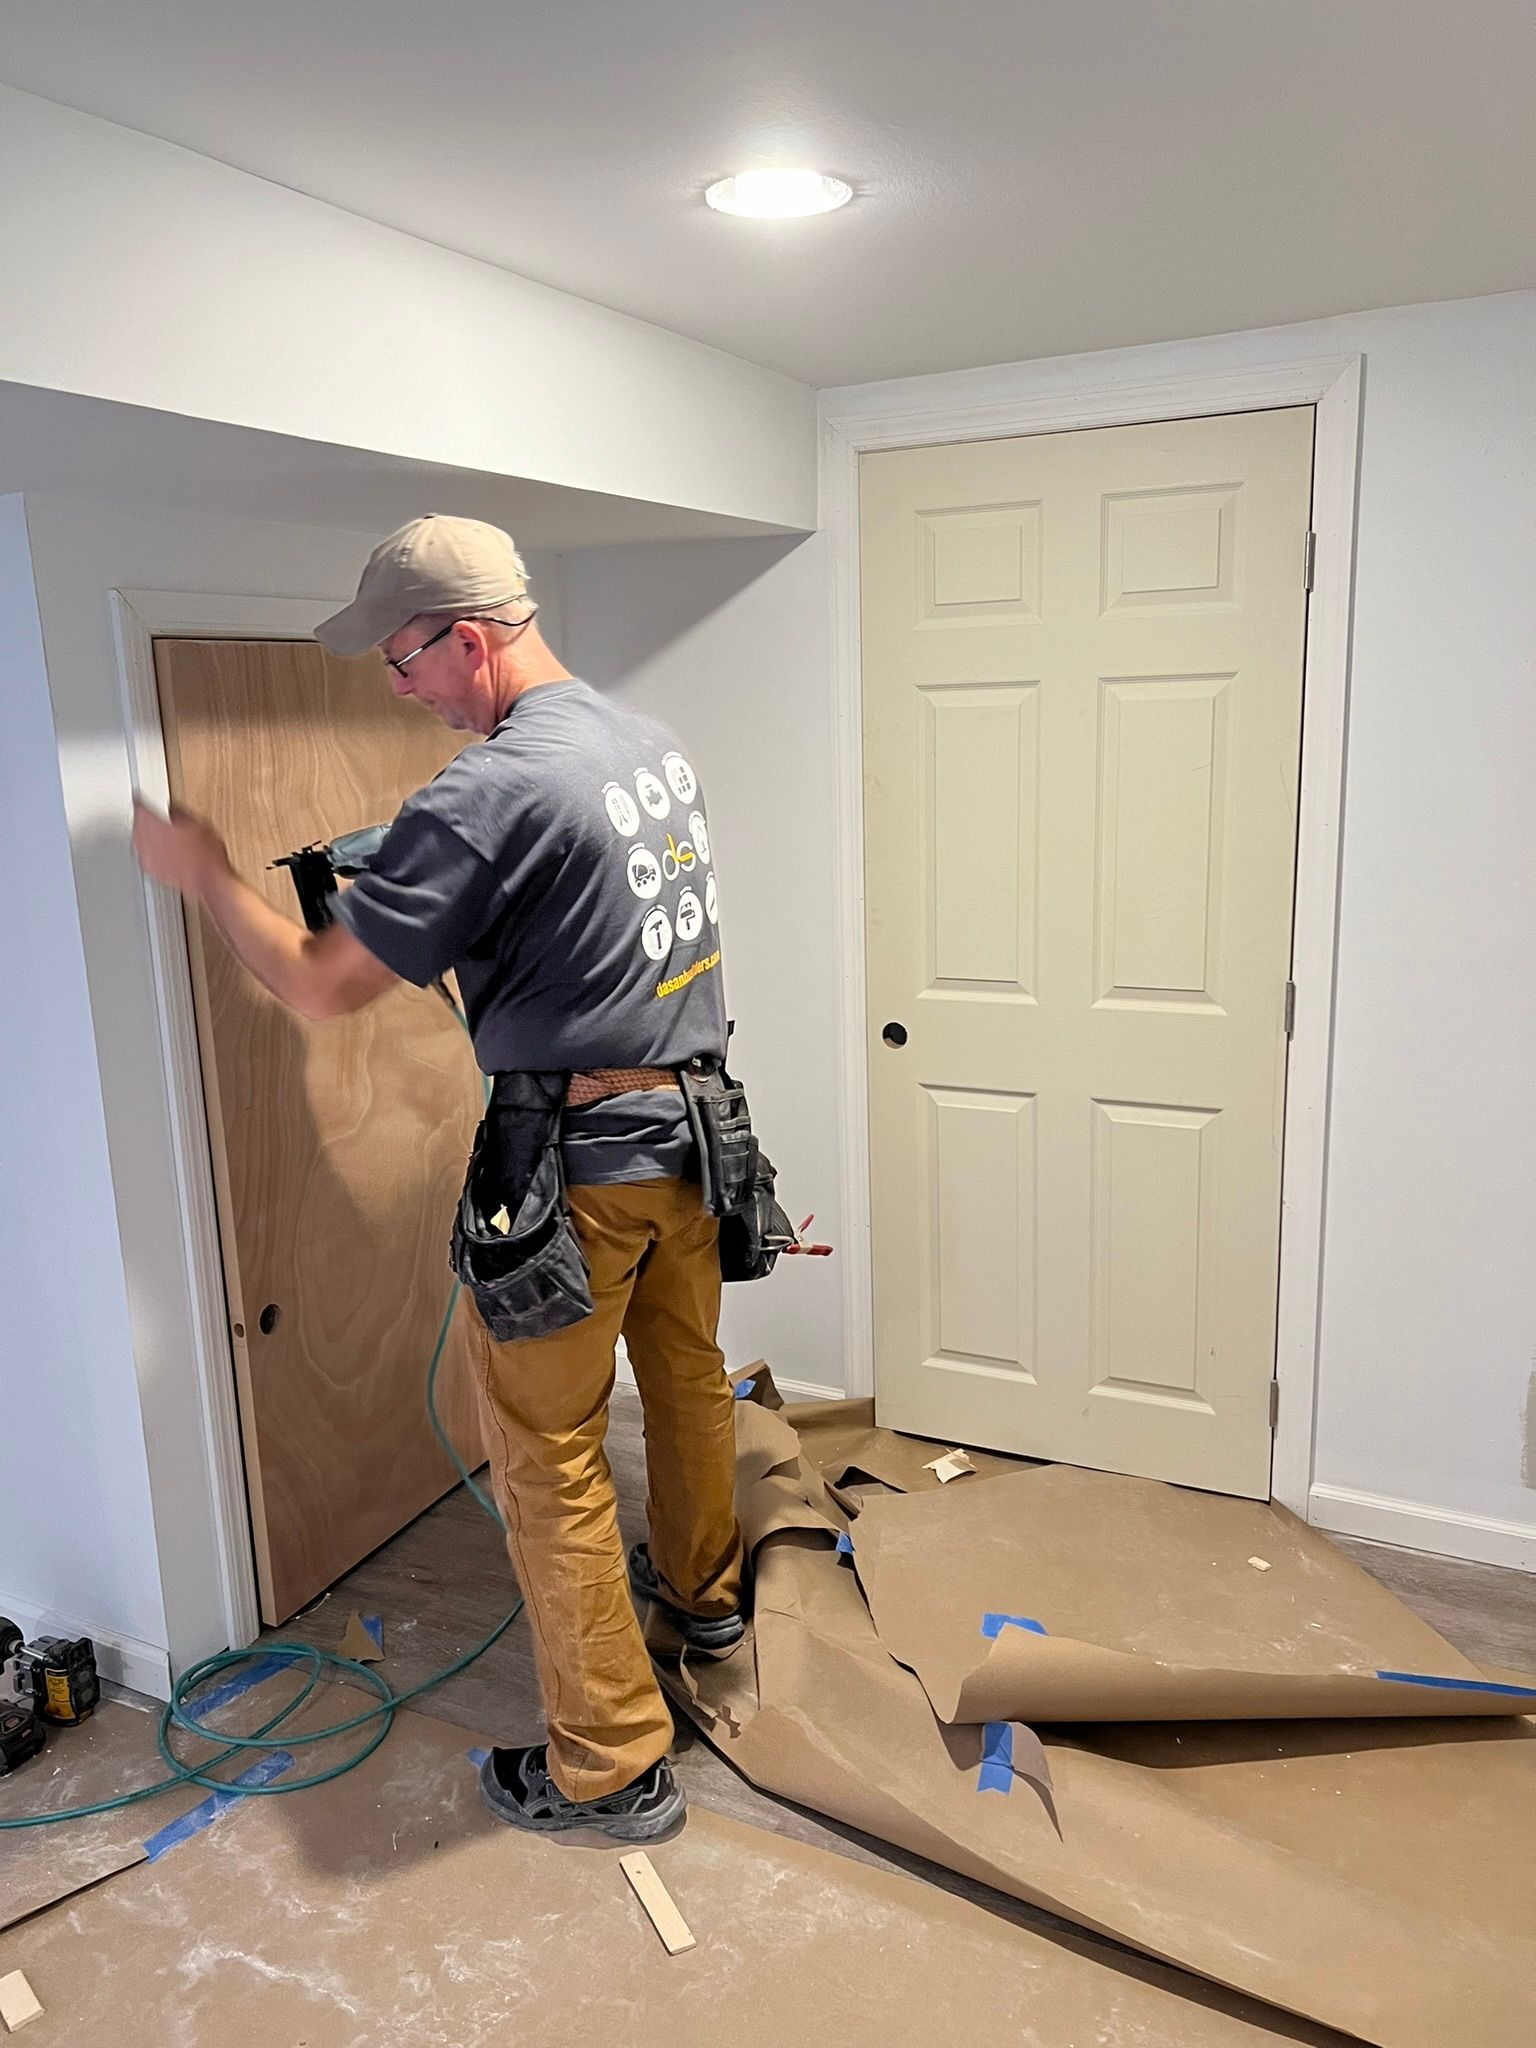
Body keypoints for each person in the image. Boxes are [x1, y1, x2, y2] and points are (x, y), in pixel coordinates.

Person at [133, 514, 745, 1843]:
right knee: (687, 1380)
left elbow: (316, 982)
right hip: (692, 1141)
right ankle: (707, 1596)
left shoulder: (484, 795)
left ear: (469, 637)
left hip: (577, 1171)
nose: (391, 683)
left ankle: (612, 1766)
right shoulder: (642, 743)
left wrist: (205, 875)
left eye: (403, 657)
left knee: (549, 1463)